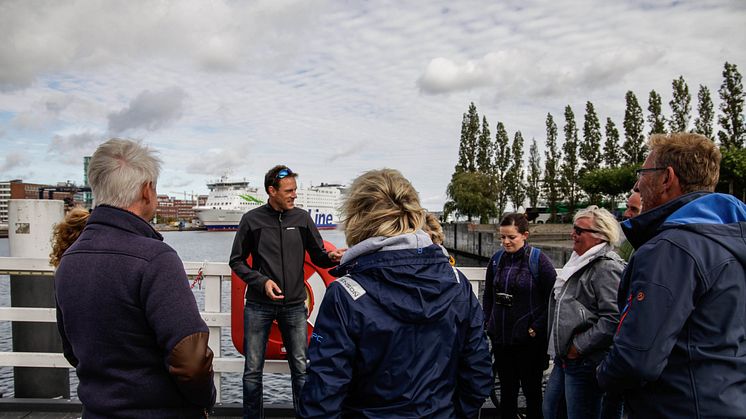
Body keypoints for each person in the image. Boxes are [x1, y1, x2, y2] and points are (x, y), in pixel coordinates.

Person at [299, 168, 492, 418]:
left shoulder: (347, 294)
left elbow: (324, 395)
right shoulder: (457, 283)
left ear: (358, 218)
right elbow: (477, 373)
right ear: (414, 213)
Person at [54, 138, 216, 417]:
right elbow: (191, 360)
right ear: (147, 190)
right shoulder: (156, 258)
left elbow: (71, 349)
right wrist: (204, 399)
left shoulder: (69, 260)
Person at [597, 132, 746, 418]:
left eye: (643, 172)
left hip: (675, 406)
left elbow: (636, 358)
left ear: (667, 178)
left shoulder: (669, 249)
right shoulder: (729, 240)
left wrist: (602, 373)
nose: (637, 183)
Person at [229, 165, 345, 418]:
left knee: (301, 370)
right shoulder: (251, 220)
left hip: (294, 306)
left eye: (295, 190)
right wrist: (261, 282)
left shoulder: (302, 218)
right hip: (258, 305)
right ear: (272, 191)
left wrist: (332, 258)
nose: (295, 195)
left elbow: (318, 257)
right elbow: (236, 261)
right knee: (252, 372)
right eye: (289, 191)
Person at [542, 206, 625, 419]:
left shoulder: (605, 268)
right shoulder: (578, 261)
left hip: (586, 360)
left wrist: (578, 347)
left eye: (579, 230)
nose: (573, 234)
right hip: (566, 358)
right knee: (551, 410)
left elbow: (613, 318)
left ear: (599, 237)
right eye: (574, 228)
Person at [483, 213, 557, 419]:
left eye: (511, 237)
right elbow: (488, 293)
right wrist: (488, 321)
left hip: (529, 341)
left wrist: (537, 327)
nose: (505, 242)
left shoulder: (537, 260)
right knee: (507, 392)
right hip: (502, 339)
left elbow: (553, 296)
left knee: (532, 392)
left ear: (524, 235)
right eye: (502, 237)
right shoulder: (497, 260)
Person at [617, 191, 642, 261]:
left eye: (634, 209)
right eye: (627, 207)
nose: (626, 214)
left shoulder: (660, 244)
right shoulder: (629, 240)